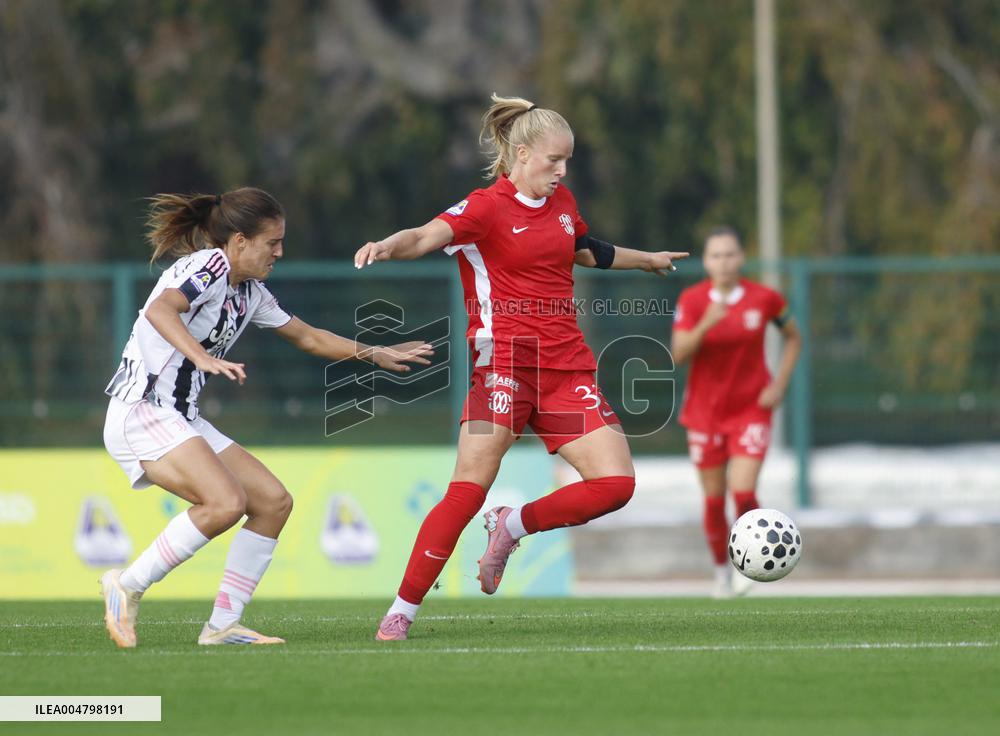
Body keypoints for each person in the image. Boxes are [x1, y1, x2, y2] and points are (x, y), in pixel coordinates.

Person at [354, 94, 689, 640]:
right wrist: (390, 245)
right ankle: (402, 611)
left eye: (567, 162)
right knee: (465, 491)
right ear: (522, 153)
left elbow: (584, 249)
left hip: (566, 372)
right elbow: (425, 235)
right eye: (554, 161)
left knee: (615, 483)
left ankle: (511, 526)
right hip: (502, 369)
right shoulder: (486, 207)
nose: (562, 171)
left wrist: (644, 257)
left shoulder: (562, 202)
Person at [100, 187, 432, 647]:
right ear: (239, 242)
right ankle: (127, 585)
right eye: (271, 242)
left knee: (273, 502)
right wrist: (202, 357)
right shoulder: (209, 266)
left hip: (180, 416)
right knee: (224, 503)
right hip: (142, 409)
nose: (280, 251)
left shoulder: (249, 292)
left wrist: (375, 353)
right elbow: (160, 309)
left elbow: (308, 337)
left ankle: (222, 626)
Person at [671, 226, 802, 598]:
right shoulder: (694, 301)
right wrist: (707, 323)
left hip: (750, 410)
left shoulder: (764, 299)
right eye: (716, 256)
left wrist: (779, 385)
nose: (724, 262)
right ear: (706, 262)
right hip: (705, 413)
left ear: (741, 258)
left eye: (730, 255)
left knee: (743, 492)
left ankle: (752, 564)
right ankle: (720, 572)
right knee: (714, 501)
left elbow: (794, 336)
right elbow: (679, 354)